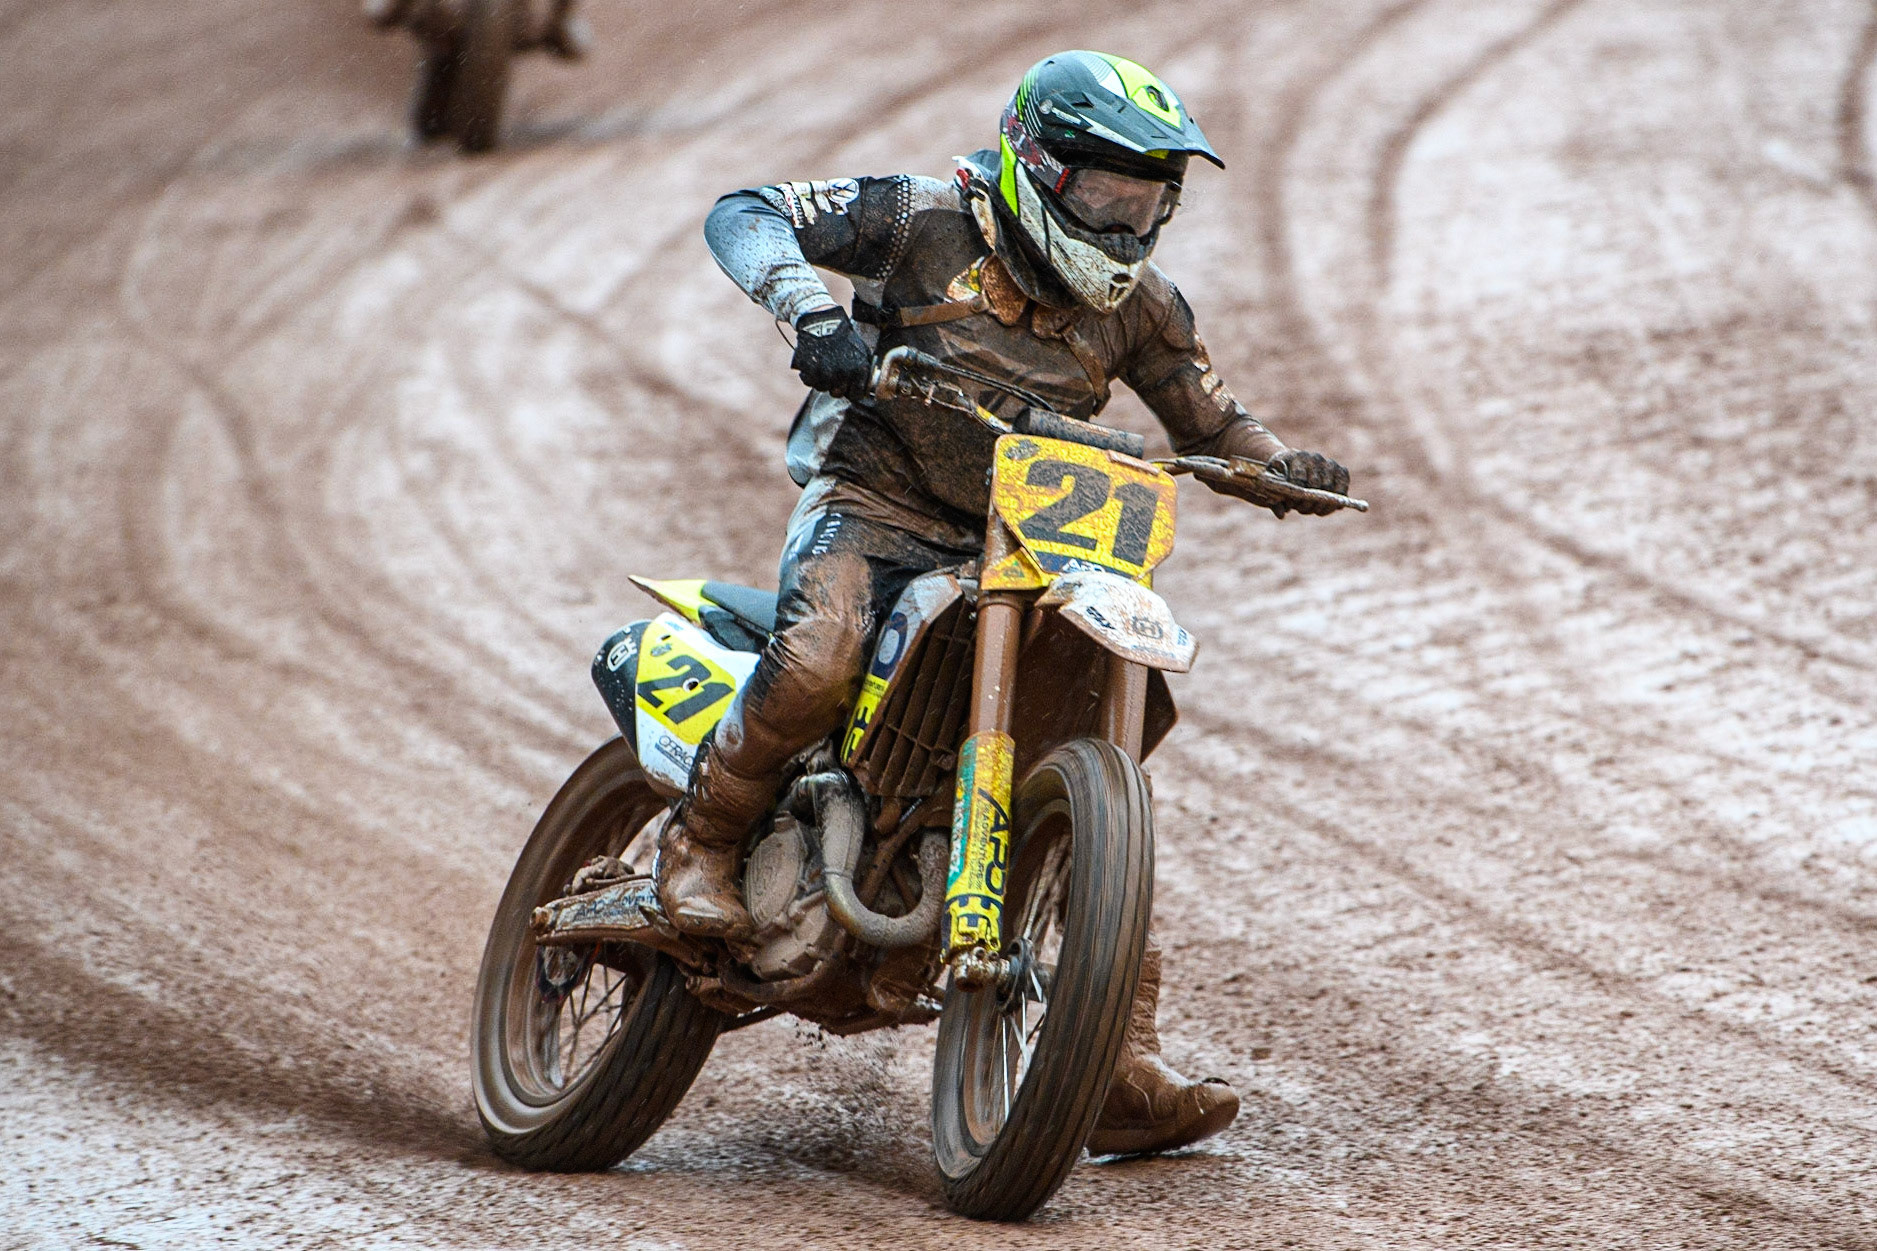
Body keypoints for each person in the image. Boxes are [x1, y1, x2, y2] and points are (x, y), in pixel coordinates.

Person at [664, 50, 1349, 1155]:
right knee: (819, 657)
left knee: (1089, 773)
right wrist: (808, 313)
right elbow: (748, 211)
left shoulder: (1143, 310)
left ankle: (1110, 1054)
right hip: (878, 508)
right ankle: (698, 845)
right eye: (1106, 192)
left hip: (1036, 550)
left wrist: (1279, 466)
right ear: (1037, 160)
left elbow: (1212, 424)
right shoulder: (922, 220)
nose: (1125, 221)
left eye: (1146, 199)